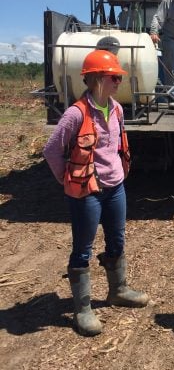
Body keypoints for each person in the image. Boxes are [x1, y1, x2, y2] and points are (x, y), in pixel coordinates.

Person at [43, 49, 149, 337]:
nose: (118, 81)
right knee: (83, 249)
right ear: (97, 80)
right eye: (114, 77)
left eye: (118, 77)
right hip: (87, 192)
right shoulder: (75, 114)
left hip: (115, 188)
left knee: (117, 240)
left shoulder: (116, 109)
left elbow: (115, 147)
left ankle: (119, 290)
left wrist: (118, 171)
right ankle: (83, 308)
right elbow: (52, 151)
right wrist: (67, 180)